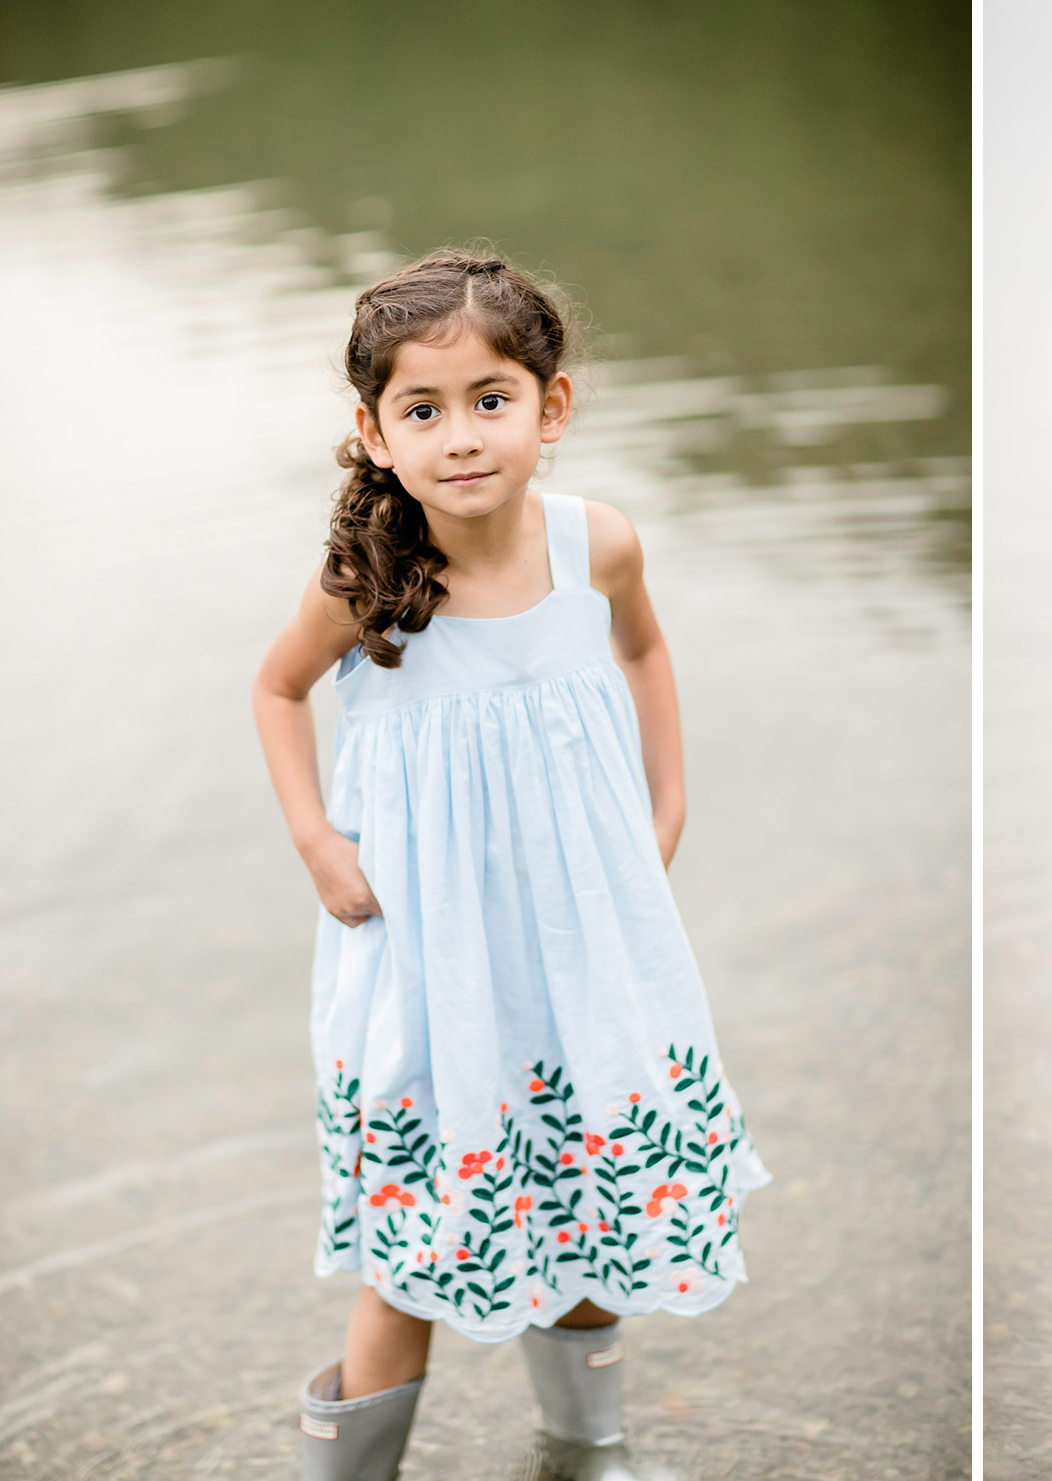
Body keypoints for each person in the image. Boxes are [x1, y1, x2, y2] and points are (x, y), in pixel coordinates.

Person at [253, 250, 769, 1480]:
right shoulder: (369, 584)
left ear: (554, 406)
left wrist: (668, 800)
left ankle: (585, 1457)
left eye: (492, 398)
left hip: (583, 941)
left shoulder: (599, 545)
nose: (462, 436)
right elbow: (275, 688)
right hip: (427, 952)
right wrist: (317, 837)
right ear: (374, 435)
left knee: (592, 1199)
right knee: (415, 1244)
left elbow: (645, 657)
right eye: (421, 411)